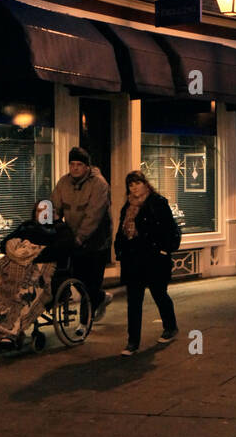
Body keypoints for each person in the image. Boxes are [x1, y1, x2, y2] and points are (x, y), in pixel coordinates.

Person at [0, 200, 72, 349]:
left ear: (55, 214)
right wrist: (15, 251)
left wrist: (32, 254)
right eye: (39, 211)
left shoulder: (61, 230)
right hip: (10, 270)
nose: (43, 214)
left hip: (38, 270)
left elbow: (59, 250)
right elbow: (5, 244)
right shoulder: (27, 226)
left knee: (22, 293)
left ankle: (9, 333)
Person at [114, 170, 181, 356]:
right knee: (134, 302)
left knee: (159, 294)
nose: (134, 187)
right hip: (133, 259)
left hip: (153, 258)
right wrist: (119, 250)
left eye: (137, 183)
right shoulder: (127, 206)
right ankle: (132, 342)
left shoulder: (157, 203)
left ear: (145, 184)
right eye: (130, 184)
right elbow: (121, 231)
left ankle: (170, 326)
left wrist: (163, 250)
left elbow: (168, 230)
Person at [52, 147, 113, 322]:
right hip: (74, 239)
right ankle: (101, 298)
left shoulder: (99, 184)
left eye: (79, 164)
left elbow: (93, 215)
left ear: (87, 166)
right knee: (78, 279)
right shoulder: (64, 183)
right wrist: (52, 225)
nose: (75, 168)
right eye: (72, 164)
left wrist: (80, 237)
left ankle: (84, 323)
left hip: (97, 240)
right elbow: (55, 205)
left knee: (91, 283)